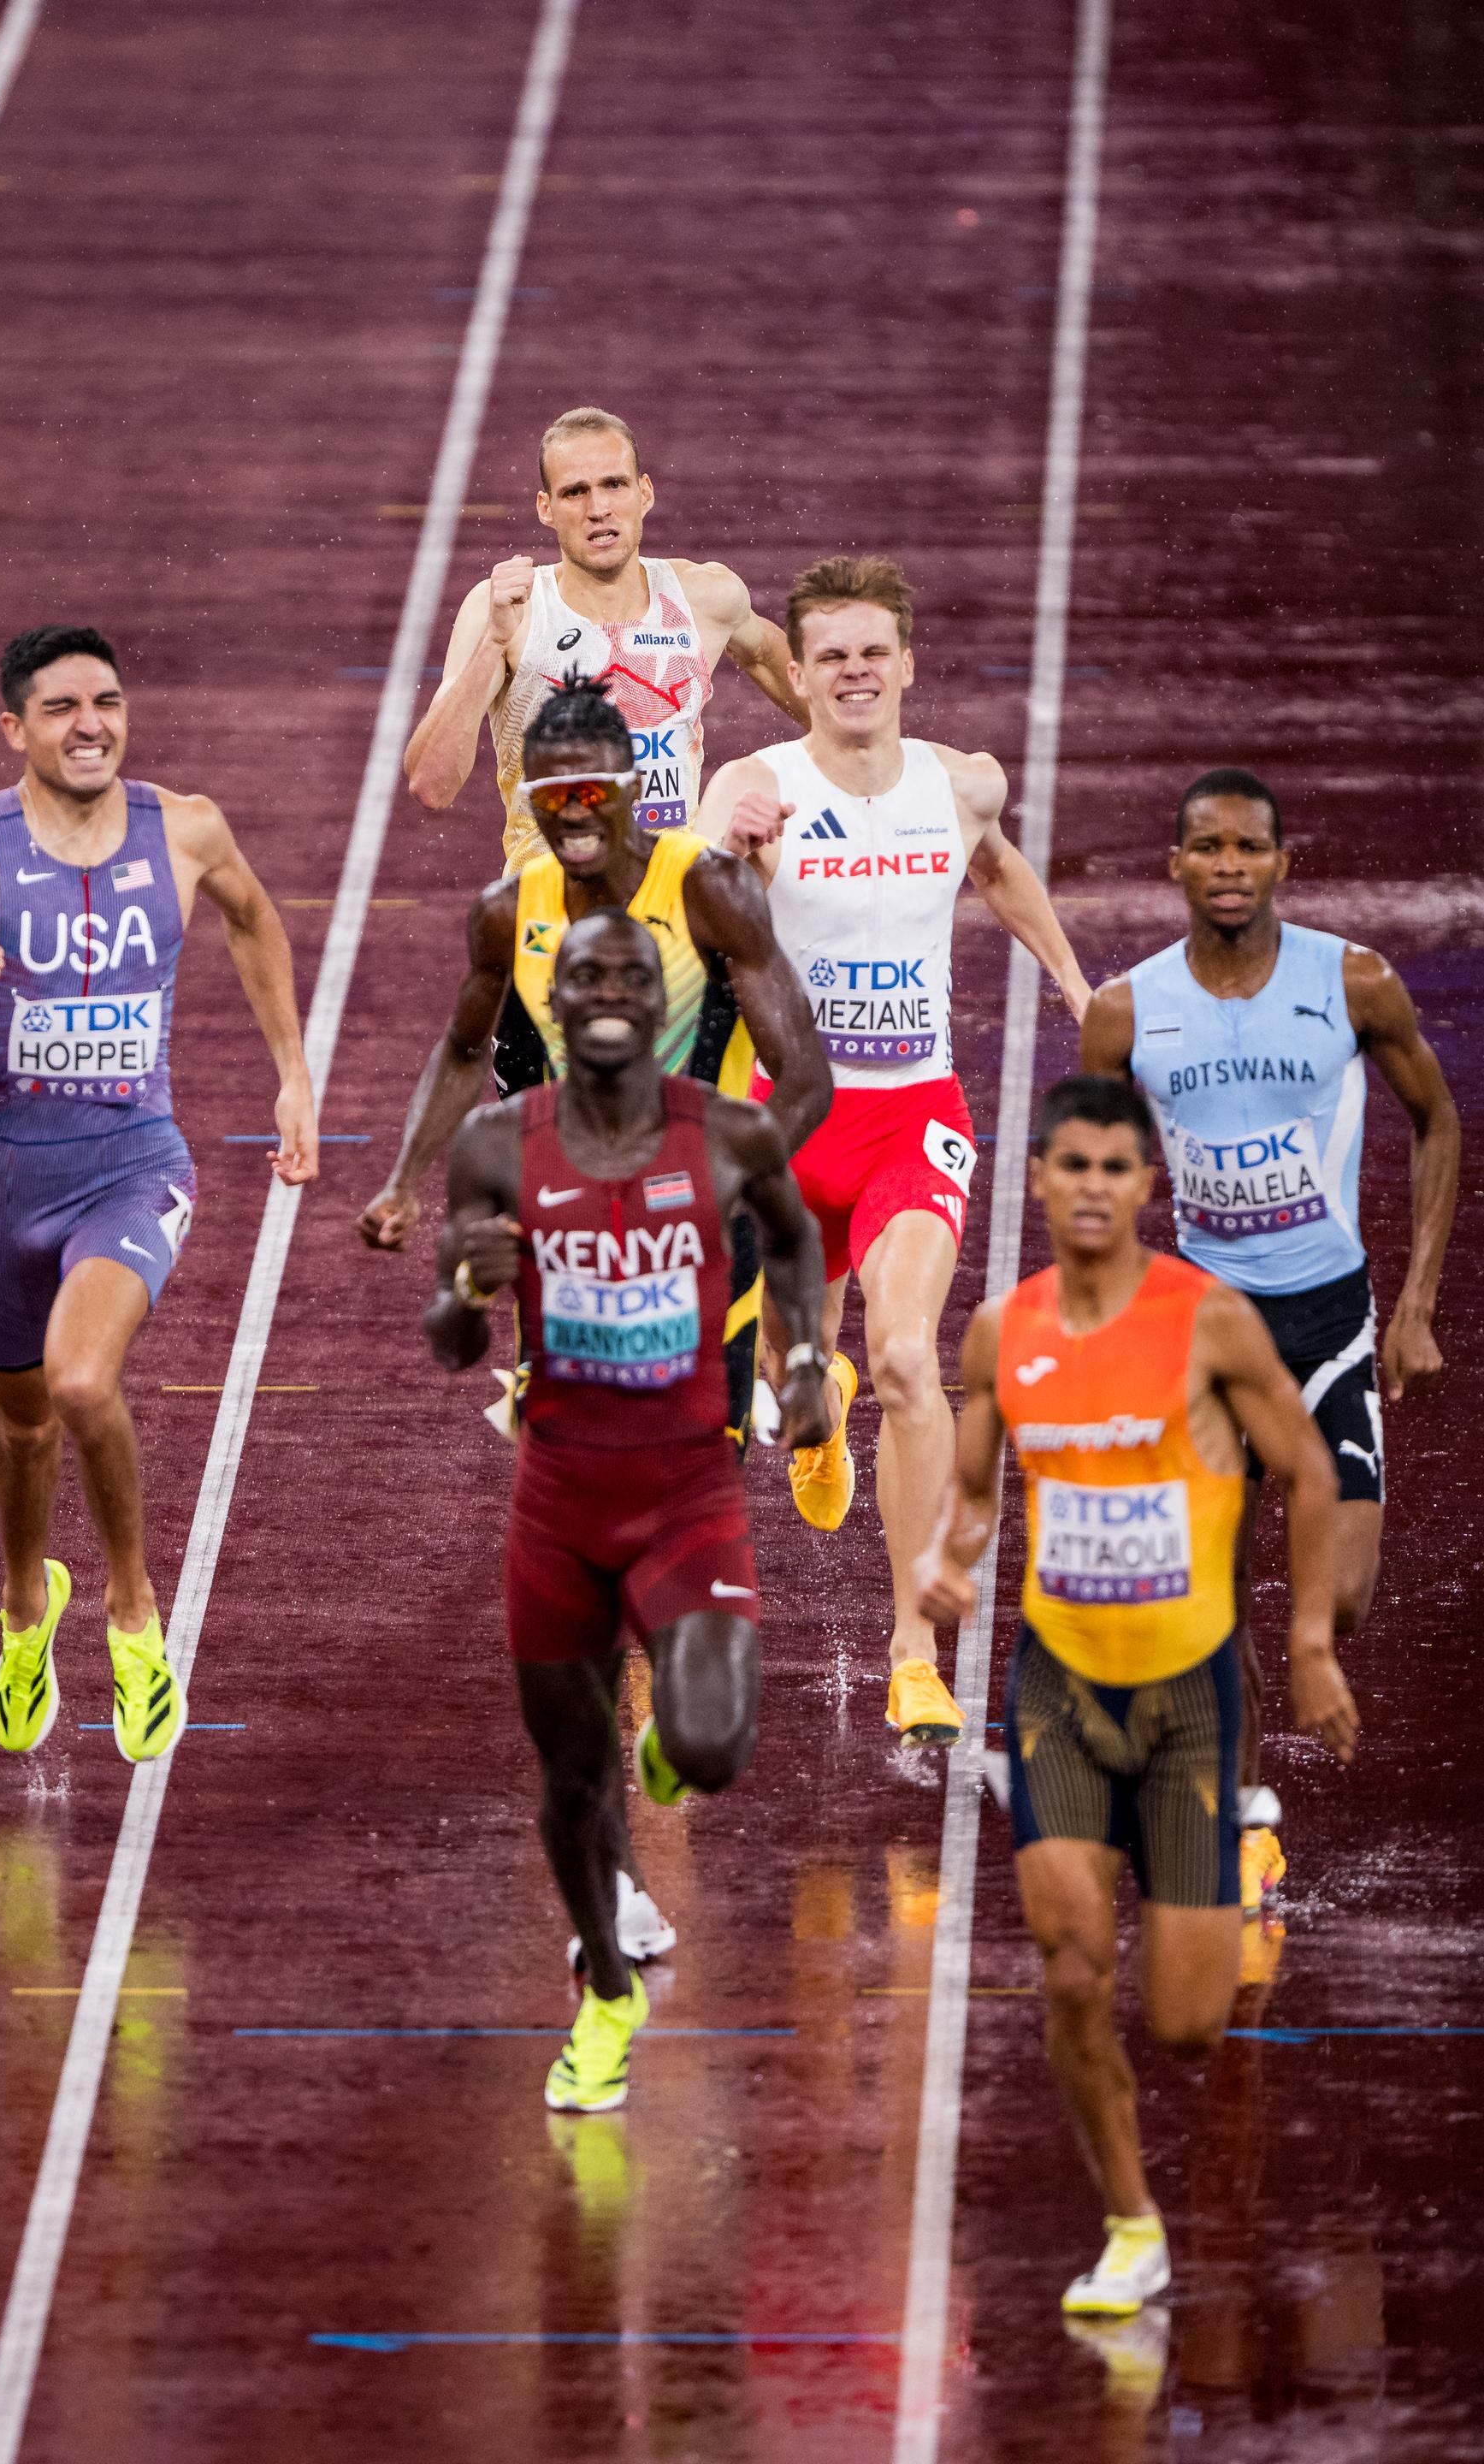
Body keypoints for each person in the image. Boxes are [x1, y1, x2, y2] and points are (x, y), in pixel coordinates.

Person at [916, 1075, 1355, 2316]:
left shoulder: (1209, 1322)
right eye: (1075, 1166)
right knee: (1064, 1966)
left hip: (1188, 1700)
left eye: (1119, 1167)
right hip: (1057, 1687)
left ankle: (1216, 1884)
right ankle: (1129, 2224)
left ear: (1148, 1186)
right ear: (1041, 1177)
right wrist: (948, 1562)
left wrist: (1312, 1645)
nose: (1096, 1187)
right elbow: (974, 1489)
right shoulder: (1002, 1332)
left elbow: (1309, 1470)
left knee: (1185, 2023)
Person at [0, 625, 317, 1761]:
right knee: (20, 1427)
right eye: (61, 708)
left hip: (134, 1165)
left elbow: (253, 919)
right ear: (14, 728)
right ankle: (24, 1609)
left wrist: (293, 1075)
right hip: (8, 1179)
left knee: (79, 1379)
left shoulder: (187, 826)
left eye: (105, 701)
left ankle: (133, 1609)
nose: (91, 724)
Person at [423, 910, 830, 2112]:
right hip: (558, 1499)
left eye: (630, 976)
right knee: (569, 1772)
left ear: (666, 1004)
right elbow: (450, 1343)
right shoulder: (497, 1146)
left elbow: (798, 1247)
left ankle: (671, 1743)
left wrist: (805, 1366)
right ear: (550, 1001)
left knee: (709, 1747)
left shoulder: (732, 1135)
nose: (605, 992)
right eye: (582, 973)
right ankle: (605, 1987)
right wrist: (461, 1287)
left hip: (685, 1490)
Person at [695, 554, 1092, 1749]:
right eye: (832, 657)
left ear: (907, 666)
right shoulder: (754, 780)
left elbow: (999, 866)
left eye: (875, 653)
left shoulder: (961, 783)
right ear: (800, 674)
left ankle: (913, 1655)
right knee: (798, 1383)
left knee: (914, 1360)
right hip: (786, 1118)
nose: (856, 673)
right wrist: (725, 841)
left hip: (913, 1119)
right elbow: (696, 868)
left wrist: (1074, 983)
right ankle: (816, 1416)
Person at [1079, 767, 1457, 1905]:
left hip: (1331, 1323)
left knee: (1338, 1601)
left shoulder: (1353, 983)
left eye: (1252, 848)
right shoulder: (1127, 1012)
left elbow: (1435, 1120)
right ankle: (1245, 1824)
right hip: (1205, 1329)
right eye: (1210, 848)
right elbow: (1090, 1163)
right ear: (1177, 867)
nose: (1231, 866)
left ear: (1283, 863)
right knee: (1214, 1587)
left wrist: (1419, 1302)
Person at [360, 671, 831, 1439]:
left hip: (699, 1233)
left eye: (591, 790)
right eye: (551, 796)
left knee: (702, 1465)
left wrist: (726, 1185)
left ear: (635, 784)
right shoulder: (509, 911)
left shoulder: (709, 890)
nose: (573, 813)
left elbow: (805, 1076)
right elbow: (463, 1049)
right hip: (571, 1229)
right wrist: (404, 1182)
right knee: (572, 1456)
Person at [405, 404, 805, 879]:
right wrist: (493, 642)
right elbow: (432, 785)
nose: (598, 509)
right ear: (546, 509)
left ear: (645, 492)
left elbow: (770, 658)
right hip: (556, 915)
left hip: (672, 907)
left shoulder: (705, 597)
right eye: (575, 492)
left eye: (614, 484)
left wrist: (869, 756)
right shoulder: (514, 610)